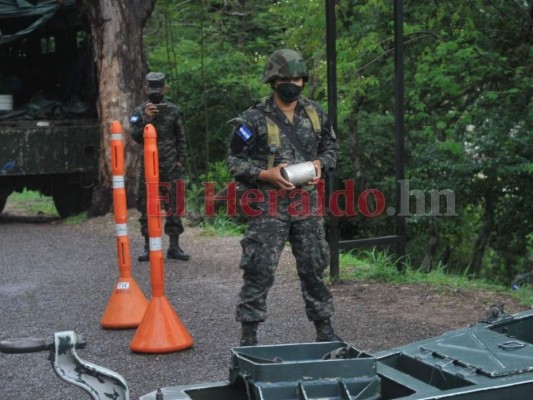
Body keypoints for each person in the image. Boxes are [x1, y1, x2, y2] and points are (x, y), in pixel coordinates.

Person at [228, 49, 340, 346]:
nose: (294, 83)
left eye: (298, 78)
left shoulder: (315, 114)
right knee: (259, 268)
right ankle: (249, 335)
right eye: (287, 78)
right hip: (268, 207)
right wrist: (265, 175)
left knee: (314, 266)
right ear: (274, 80)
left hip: (307, 204)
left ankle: (324, 329)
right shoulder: (251, 119)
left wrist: (320, 165)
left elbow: (331, 150)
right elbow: (234, 162)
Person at [130, 72, 189, 262]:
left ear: (165, 89)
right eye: (151, 90)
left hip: (171, 165)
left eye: (159, 90)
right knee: (146, 205)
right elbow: (136, 136)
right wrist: (146, 119)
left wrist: (181, 160)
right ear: (146, 89)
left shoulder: (173, 110)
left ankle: (174, 246)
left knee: (173, 204)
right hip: (148, 166)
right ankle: (149, 246)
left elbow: (180, 136)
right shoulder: (139, 111)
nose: (155, 93)